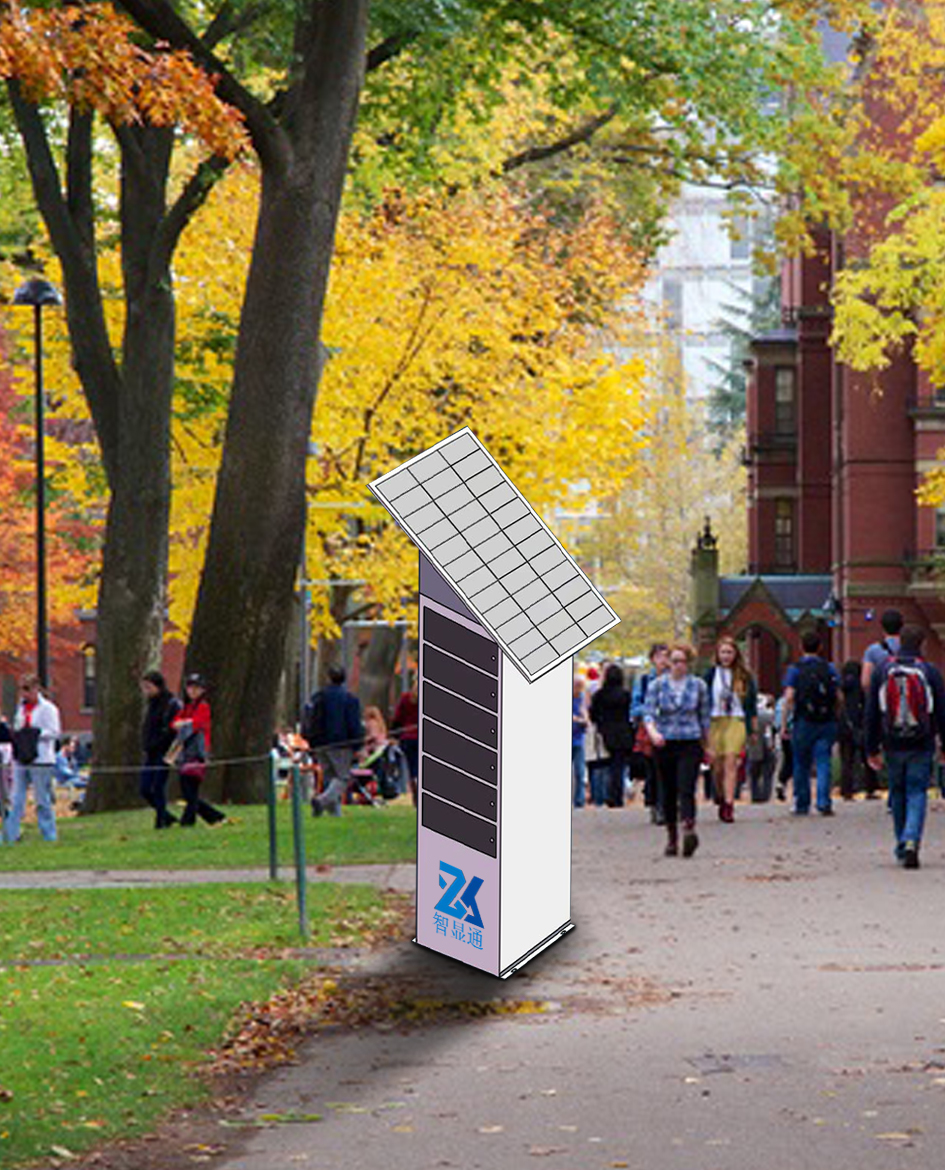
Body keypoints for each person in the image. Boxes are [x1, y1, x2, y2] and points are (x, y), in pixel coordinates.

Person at [865, 624, 945, 869]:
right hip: (921, 742)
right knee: (917, 791)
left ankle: (902, 841)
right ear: (922, 644)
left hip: (892, 742)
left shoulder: (883, 670)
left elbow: (872, 713)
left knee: (897, 791)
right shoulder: (929, 671)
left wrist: (871, 747)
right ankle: (912, 839)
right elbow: (941, 712)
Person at [644, 643, 712, 858]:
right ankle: (672, 836)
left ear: (688, 663)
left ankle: (688, 827)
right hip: (665, 742)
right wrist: (653, 733)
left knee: (686, 787)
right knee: (668, 790)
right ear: (668, 663)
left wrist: (707, 745)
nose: (678, 666)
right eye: (674, 661)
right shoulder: (657, 685)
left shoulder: (698, 686)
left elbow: (704, 718)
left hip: (690, 741)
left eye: (683, 661)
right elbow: (648, 714)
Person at [781, 631, 840, 816]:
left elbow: (789, 697)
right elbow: (838, 696)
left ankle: (802, 803)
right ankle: (824, 802)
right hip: (826, 721)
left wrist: (784, 723)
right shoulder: (829, 668)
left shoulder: (795, 669)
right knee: (824, 761)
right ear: (820, 647)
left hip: (803, 721)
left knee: (801, 763)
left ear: (801, 646)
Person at [704, 637, 758, 823]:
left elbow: (751, 704)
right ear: (717, 655)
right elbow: (703, 700)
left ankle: (728, 804)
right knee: (717, 765)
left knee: (731, 760)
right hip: (715, 720)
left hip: (736, 719)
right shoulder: (711, 674)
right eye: (723, 652)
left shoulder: (744, 675)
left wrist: (753, 729)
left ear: (736, 654)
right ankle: (719, 793)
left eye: (730, 652)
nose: (726, 656)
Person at [2, 676, 62, 844]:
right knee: (16, 798)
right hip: (22, 758)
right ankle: (10, 835)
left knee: (42, 800)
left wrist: (34, 735)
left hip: (41, 759)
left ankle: (49, 835)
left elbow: (54, 732)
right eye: (22, 689)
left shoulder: (48, 709)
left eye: (27, 689)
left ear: (36, 689)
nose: (24, 693)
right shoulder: (21, 709)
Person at [303, 665, 363, 816]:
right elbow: (353, 724)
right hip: (341, 744)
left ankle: (334, 812)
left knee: (329, 777)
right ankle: (322, 801)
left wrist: (311, 739)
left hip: (320, 743)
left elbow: (309, 719)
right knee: (342, 777)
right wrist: (357, 744)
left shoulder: (318, 698)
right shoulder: (350, 700)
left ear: (328, 678)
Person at [170, 674, 225, 827]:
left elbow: (195, 725)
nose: (193, 691)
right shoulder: (187, 707)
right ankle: (214, 816)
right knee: (188, 790)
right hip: (185, 752)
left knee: (190, 787)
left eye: (197, 688)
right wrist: (184, 723)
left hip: (198, 752)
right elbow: (174, 723)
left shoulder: (203, 707)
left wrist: (185, 724)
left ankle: (188, 821)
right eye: (190, 687)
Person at [631, 643, 669, 823]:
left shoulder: (676, 680)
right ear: (653, 659)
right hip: (650, 730)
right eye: (660, 656)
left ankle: (665, 805)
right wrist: (649, 711)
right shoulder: (645, 680)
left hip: (672, 729)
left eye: (667, 656)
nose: (664, 660)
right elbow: (635, 707)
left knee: (668, 770)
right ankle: (656, 805)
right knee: (654, 770)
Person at [140, 670, 182, 828]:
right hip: (150, 751)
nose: (146, 691)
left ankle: (161, 821)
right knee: (145, 788)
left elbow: (173, 730)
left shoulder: (171, 704)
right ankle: (165, 815)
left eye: (148, 687)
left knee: (158, 786)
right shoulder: (151, 704)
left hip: (164, 751)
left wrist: (162, 744)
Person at [589, 664, 634, 808]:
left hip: (605, 733)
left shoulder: (599, 695)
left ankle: (602, 795)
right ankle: (616, 797)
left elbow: (593, 715)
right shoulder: (625, 694)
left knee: (602, 766)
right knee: (618, 767)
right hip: (623, 733)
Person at [837, 660, 874, 801]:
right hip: (861, 725)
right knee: (866, 758)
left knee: (847, 760)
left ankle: (847, 790)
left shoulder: (842, 687)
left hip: (844, 726)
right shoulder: (862, 686)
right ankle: (870, 788)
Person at [390, 679, 419, 803]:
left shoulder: (406, 698)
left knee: (412, 767)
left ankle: (415, 787)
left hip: (407, 738)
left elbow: (398, 718)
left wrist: (394, 734)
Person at [571, 675, 589, 808]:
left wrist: (583, 719)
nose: (578, 689)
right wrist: (578, 719)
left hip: (578, 740)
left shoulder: (582, 698)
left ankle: (580, 801)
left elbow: (585, 716)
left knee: (580, 771)